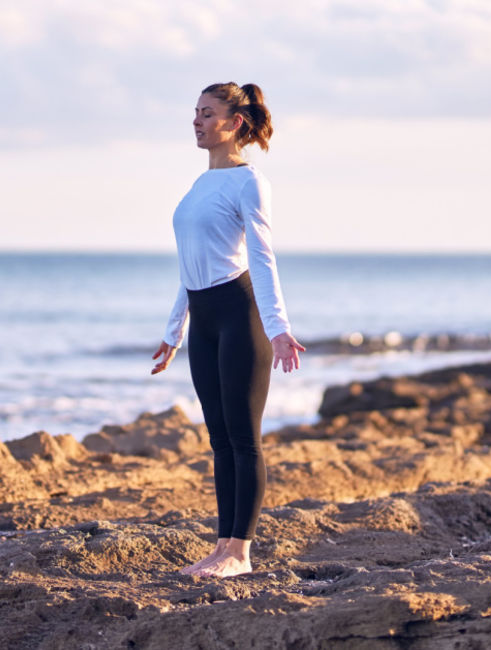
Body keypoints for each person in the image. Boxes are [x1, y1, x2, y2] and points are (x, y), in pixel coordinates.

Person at [150, 82, 306, 578]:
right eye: (195, 112)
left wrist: (279, 328)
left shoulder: (249, 182)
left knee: (244, 438)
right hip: (205, 319)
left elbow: (261, 259)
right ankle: (222, 547)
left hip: (240, 315)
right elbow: (189, 265)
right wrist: (174, 331)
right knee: (218, 439)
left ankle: (242, 552)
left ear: (235, 122)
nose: (197, 121)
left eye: (208, 113)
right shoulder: (198, 186)